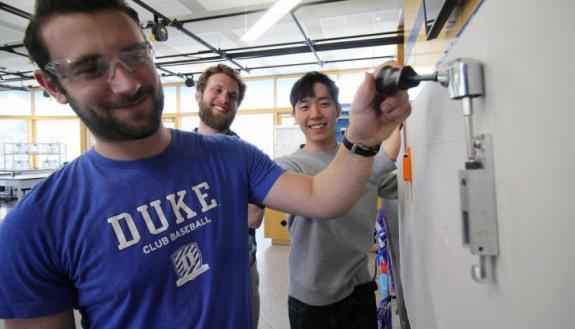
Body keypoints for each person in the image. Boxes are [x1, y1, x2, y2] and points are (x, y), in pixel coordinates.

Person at [0, 0, 411, 328]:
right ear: (52, 85)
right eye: (90, 68)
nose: (127, 81)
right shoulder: (34, 227)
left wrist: (361, 135)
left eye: (134, 55)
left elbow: (323, 197)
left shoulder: (232, 156)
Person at [275, 71, 401, 329]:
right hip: (312, 297)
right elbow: (328, 190)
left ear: (336, 109)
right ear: (294, 115)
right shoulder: (288, 166)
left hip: (359, 288)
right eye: (304, 106)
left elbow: (396, 185)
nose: (315, 114)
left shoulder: (364, 158)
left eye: (323, 103)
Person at [193, 63, 264, 329]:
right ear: (199, 94)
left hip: (239, 269)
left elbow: (254, 216)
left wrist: (196, 209)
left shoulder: (246, 154)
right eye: (217, 90)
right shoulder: (178, 153)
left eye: (232, 95)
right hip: (193, 269)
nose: (224, 99)